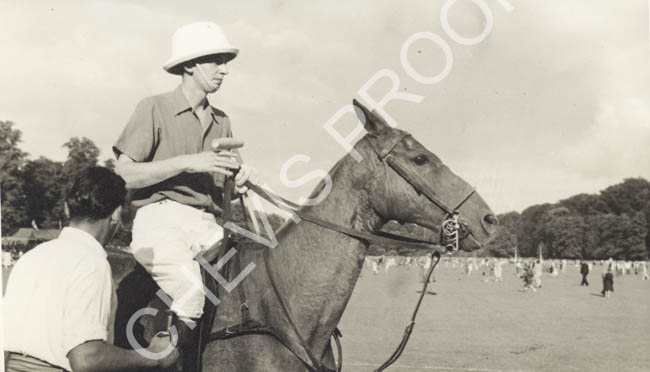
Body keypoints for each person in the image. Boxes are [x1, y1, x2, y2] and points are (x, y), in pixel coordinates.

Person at [112, 21, 259, 371]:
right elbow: (124, 173)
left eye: (226, 62)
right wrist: (187, 163)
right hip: (159, 219)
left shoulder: (222, 120)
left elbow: (224, 190)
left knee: (261, 274)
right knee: (192, 292)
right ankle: (169, 365)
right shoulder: (153, 108)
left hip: (208, 224)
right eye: (216, 61)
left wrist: (238, 185)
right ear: (190, 65)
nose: (225, 70)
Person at [4, 167, 179, 372]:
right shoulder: (91, 262)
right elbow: (87, 359)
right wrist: (154, 357)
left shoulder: (31, 257)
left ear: (67, 209)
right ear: (116, 214)